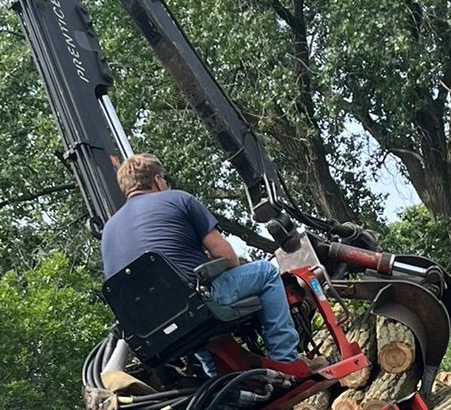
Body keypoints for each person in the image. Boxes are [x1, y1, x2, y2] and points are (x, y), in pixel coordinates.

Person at [99, 153, 307, 370]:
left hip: (152, 329)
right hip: (195, 303)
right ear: (158, 181)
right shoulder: (178, 199)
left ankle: (220, 381)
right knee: (265, 272)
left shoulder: (108, 233)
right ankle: (287, 360)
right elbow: (227, 257)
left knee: (188, 317)